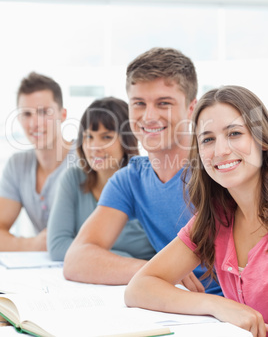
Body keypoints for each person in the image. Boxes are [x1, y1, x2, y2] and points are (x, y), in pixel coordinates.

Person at [63, 47, 222, 295]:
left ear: (192, 108)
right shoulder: (130, 179)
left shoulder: (217, 167)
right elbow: (76, 260)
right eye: (139, 103)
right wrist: (155, 271)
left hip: (236, 311)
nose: (148, 116)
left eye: (163, 103)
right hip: (179, 307)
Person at [125, 85, 268, 337]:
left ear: (261, 139)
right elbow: (139, 288)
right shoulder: (217, 218)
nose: (221, 151)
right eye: (208, 139)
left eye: (234, 133)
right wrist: (217, 305)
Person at [47, 97, 155, 261]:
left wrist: (89, 254)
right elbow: (58, 246)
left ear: (127, 139)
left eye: (106, 137)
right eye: (88, 137)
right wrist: (120, 259)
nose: (94, 147)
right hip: (93, 281)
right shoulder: (73, 179)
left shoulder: (150, 183)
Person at [0, 72, 76, 251]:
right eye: (26, 114)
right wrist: (32, 244)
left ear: (63, 114)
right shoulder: (17, 165)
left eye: (44, 112)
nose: (35, 123)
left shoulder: (86, 160)